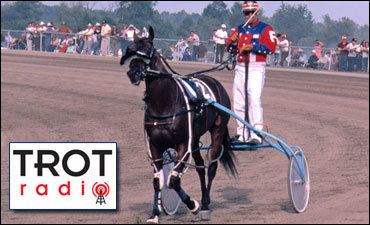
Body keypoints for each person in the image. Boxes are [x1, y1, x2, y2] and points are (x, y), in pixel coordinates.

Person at [226, 1, 277, 144]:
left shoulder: (266, 28)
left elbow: (271, 47)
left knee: (254, 99)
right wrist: (232, 43)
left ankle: (257, 134)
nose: (248, 15)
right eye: (246, 13)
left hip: (256, 68)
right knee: (238, 101)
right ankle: (242, 133)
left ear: (256, 13)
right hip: (240, 68)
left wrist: (253, 46)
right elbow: (229, 49)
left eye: (251, 12)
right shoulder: (239, 29)